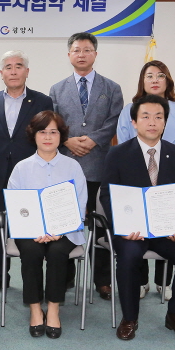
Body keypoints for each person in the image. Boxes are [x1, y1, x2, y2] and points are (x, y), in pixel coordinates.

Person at [100, 94, 175, 341]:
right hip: (132, 231)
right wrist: (122, 227)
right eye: (145, 117)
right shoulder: (117, 154)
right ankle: (129, 318)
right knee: (129, 257)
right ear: (134, 122)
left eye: (158, 117)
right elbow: (107, 195)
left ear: (165, 122)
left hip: (167, 230)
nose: (152, 122)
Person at [49, 32, 123, 301]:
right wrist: (67, 140)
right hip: (66, 165)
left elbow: (114, 120)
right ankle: (65, 275)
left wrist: (93, 140)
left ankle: (102, 280)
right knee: (66, 221)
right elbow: (53, 122)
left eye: (87, 50)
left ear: (95, 54)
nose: (81, 54)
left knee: (100, 224)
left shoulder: (111, 88)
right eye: (77, 50)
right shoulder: (57, 89)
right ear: (69, 54)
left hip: (99, 165)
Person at [117, 60, 175, 301]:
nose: (155, 80)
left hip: (169, 182)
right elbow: (124, 146)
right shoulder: (130, 109)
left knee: (167, 229)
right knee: (137, 232)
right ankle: (141, 281)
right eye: (149, 76)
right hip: (136, 183)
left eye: (160, 75)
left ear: (168, 80)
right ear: (143, 81)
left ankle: (163, 281)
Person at [7, 111, 87, 339]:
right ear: (34, 135)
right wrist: (35, 229)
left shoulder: (73, 167)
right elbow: (15, 206)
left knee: (57, 252)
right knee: (31, 252)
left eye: (54, 132)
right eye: (43, 132)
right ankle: (35, 309)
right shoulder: (22, 168)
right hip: (29, 231)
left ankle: (53, 309)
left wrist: (59, 230)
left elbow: (80, 204)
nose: (48, 137)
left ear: (61, 136)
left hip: (66, 230)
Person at [0, 50, 53, 295]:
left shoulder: (42, 101)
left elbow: (47, 139)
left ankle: (32, 276)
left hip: (32, 174)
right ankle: (0, 274)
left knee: (31, 224)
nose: (13, 71)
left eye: (18, 66)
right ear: (1, 73)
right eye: (8, 67)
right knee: (2, 225)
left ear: (27, 71)